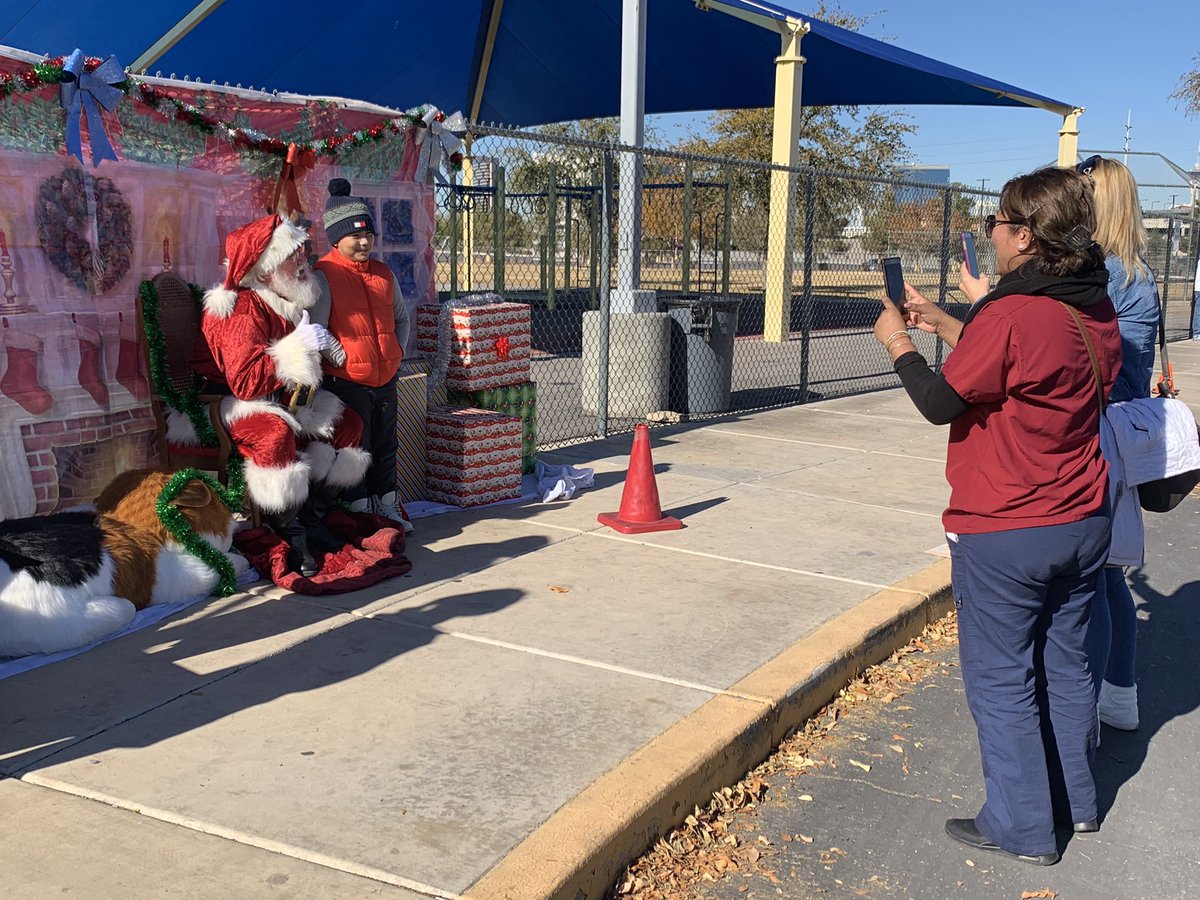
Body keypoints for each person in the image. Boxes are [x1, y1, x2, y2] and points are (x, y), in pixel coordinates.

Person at [875, 166, 1121, 865]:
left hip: (1008, 526)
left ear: (1024, 235)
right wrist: (950, 323)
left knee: (1002, 677)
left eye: (999, 221)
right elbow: (1022, 371)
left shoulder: (1013, 314)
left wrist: (899, 341)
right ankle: (1076, 801)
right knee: (1068, 666)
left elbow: (941, 402)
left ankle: (1022, 827)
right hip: (1082, 517)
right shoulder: (1090, 306)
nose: (990, 232)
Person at [189, 213, 371, 573]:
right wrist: (294, 350)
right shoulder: (240, 308)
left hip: (277, 397)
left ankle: (314, 515)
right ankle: (288, 530)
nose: (303, 261)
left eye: (302, 252)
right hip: (229, 401)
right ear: (265, 265)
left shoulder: (282, 300)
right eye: (293, 255)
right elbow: (245, 382)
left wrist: (310, 349)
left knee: (347, 424)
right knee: (275, 432)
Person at [1077, 155, 1161, 733]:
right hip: (1118, 430)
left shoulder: (1106, 275)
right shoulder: (1137, 272)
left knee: (1097, 577)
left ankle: (1093, 705)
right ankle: (1120, 692)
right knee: (1109, 575)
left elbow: (1107, 370)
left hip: (1100, 430)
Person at [312, 179, 412, 528]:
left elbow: (401, 317)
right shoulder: (324, 276)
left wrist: (396, 352)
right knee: (357, 447)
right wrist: (341, 358)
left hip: (385, 377)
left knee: (387, 446)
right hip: (348, 381)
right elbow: (316, 329)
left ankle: (388, 503)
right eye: (355, 236)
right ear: (336, 238)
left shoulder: (384, 274)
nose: (364, 241)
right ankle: (359, 510)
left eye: (368, 234)